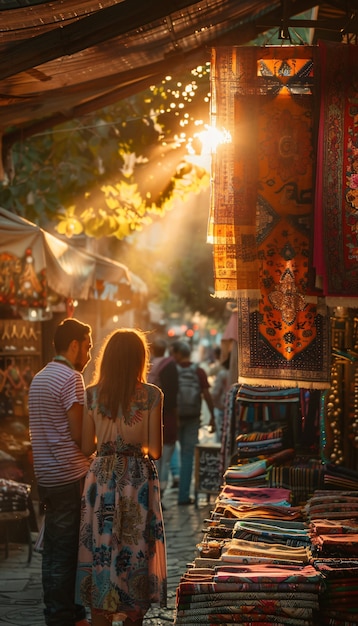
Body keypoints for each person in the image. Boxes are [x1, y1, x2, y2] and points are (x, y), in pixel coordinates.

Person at [76, 328, 166, 626]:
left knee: (101, 545)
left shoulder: (91, 394)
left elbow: (87, 446)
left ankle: (101, 612)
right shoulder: (152, 395)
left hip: (101, 478)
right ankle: (131, 613)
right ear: (140, 359)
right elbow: (154, 450)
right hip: (137, 480)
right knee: (136, 546)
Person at [28, 317, 93, 626]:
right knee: (68, 552)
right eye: (88, 347)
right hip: (70, 476)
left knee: (55, 548)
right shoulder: (71, 378)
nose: (90, 355)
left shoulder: (39, 378)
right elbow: (81, 439)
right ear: (75, 345)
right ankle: (62, 616)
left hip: (46, 477)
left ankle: (64, 612)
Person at [171, 340, 216, 505]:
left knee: (169, 452)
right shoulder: (198, 371)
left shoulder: (173, 370)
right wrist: (212, 415)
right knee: (188, 455)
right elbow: (207, 394)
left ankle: (160, 494)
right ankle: (183, 496)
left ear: (178, 354)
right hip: (192, 417)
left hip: (176, 416)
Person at [148, 337, 178, 496]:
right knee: (164, 457)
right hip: (165, 415)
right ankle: (161, 491)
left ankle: (154, 490)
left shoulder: (148, 365)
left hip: (147, 415)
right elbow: (172, 395)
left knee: (154, 458)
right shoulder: (168, 365)